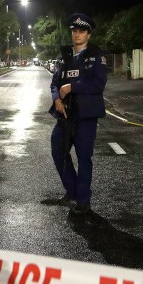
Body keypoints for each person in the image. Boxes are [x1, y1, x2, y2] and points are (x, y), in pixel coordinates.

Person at [43, 13, 107, 218]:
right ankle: (72, 190)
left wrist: (72, 86)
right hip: (65, 115)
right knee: (58, 150)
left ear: (88, 34)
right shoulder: (66, 57)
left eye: (81, 31)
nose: (77, 34)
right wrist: (57, 99)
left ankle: (83, 200)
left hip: (85, 116)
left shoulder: (96, 56)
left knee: (84, 158)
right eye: (74, 31)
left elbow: (98, 84)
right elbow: (55, 84)